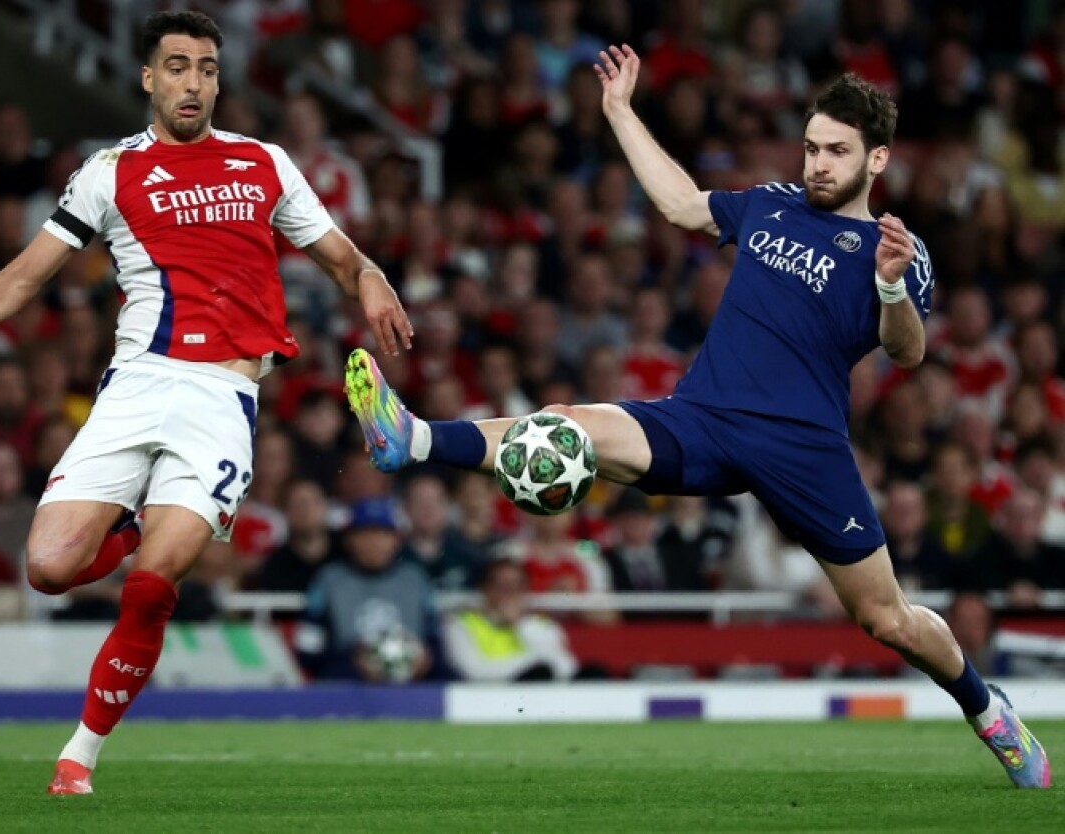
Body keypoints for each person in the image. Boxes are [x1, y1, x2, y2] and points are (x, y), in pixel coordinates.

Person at [345, 45, 1049, 788]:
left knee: (887, 620)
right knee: (565, 423)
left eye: (836, 152)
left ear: (875, 161)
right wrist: (619, 111)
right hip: (703, 417)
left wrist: (891, 288)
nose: (817, 163)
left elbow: (907, 355)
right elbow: (681, 202)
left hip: (803, 448)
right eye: (811, 147)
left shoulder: (893, 250)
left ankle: (985, 708)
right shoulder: (770, 203)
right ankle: (411, 439)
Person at [0, 11, 411, 795]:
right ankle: (136, 521)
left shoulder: (265, 164)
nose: (194, 82)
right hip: (137, 385)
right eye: (178, 66)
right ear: (149, 78)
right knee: (48, 568)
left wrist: (371, 277)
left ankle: (78, 755)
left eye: (208, 68)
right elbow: (25, 276)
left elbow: (342, 257)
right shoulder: (109, 172)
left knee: (154, 585)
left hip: (223, 397)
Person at [293, 497, 442, 683]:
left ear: (396, 540)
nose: (374, 542)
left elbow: (435, 638)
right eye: (365, 533)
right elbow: (308, 650)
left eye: (382, 533)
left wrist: (426, 659)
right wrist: (353, 660)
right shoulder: (329, 580)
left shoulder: (414, 579)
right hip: (348, 674)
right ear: (349, 540)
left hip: (412, 673)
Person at [444, 557, 579, 682]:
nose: (509, 592)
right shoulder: (461, 624)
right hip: (488, 699)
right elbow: (472, 671)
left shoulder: (543, 625)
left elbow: (567, 667)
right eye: (501, 585)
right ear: (485, 589)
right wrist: (533, 664)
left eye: (516, 586)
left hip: (540, 698)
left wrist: (520, 624)